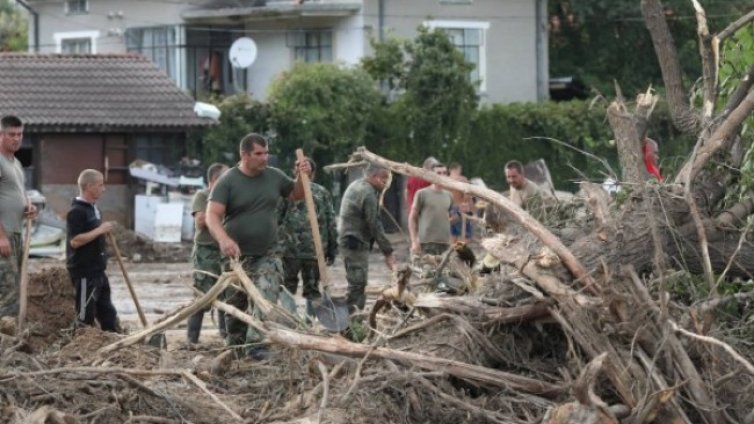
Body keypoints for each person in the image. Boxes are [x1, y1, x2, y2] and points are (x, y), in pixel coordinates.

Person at [206, 133, 309, 358]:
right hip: (236, 256)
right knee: (236, 306)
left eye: (266, 153)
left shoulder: (274, 176)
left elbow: (297, 193)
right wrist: (224, 240)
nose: (265, 158)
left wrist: (302, 176)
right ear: (244, 155)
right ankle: (236, 348)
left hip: (268, 252)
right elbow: (212, 216)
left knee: (266, 293)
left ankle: (256, 344)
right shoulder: (228, 181)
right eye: (258, 154)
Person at [278, 157, 337, 314]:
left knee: (290, 286)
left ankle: (303, 321)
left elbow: (330, 222)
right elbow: (277, 219)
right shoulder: (286, 193)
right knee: (306, 288)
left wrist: (331, 248)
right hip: (295, 251)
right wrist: (332, 248)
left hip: (307, 250)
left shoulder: (320, 193)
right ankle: (299, 321)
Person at [338, 164, 396, 312]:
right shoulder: (368, 193)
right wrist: (388, 252)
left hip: (350, 240)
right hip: (354, 241)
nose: (386, 183)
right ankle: (351, 322)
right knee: (358, 285)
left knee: (357, 283)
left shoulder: (358, 185)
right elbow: (375, 224)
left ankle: (352, 318)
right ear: (375, 177)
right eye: (384, 178)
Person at [66, 169, 118, 331]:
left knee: (108, 314)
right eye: (100, 185)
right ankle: (80, 349)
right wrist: (99, 230)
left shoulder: (94, 209)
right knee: (84, 316)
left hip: (98, 271)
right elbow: (75, 241)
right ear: (89, 187)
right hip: (84, 273)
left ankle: (114, 344)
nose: (104, 189)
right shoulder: (76, 212)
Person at [186, 162, 229, 345]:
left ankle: (226, 337)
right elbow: (201, 221)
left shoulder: (229, 197)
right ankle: (191, 339)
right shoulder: (203, 195)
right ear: (214, 179)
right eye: (226, 177)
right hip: (206, 253)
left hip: (224, 252)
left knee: (226, 295)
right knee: (202, 297)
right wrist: (220, 210)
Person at [0, 115, 36, 318]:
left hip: (16, 234)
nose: (17, 138)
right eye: (12, 134)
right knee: (8, 292)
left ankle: (12, 338)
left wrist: (27, 208)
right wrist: (1, 236)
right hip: (4, 236)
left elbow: (18, 196)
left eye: (20, 134)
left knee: (17, 285)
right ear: (1, 135)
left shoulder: (16, 164)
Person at [409, 163, 454, 256]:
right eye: (439, 173)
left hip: (445, 243)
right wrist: (414, 241)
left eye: (444, 173)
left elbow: (449, 217)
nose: (442, 175)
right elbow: (412, 218)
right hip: (426, 243)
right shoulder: (422, 194)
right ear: (432, 175)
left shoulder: (449, 195)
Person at [448, 162, 474, 243]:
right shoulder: (462, 180)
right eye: (460, 169)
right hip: (461, 209)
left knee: (453, 235)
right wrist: (472, 211)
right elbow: (467, 197)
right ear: (457, 169)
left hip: (449, 210)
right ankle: (461, 253)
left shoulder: (445, 180)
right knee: (467, 236)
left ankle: (453, 254)